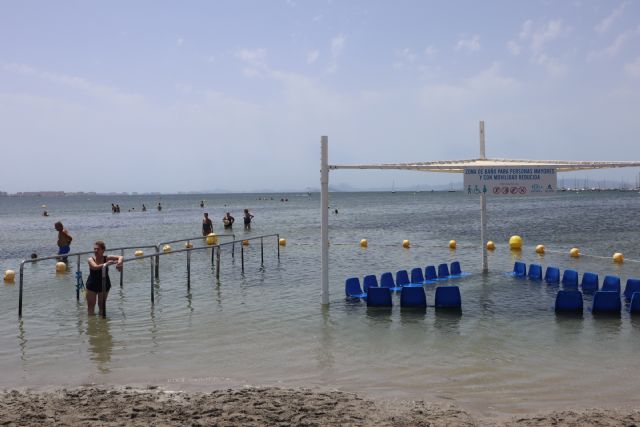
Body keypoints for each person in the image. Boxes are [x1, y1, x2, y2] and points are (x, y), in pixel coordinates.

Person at [85, 241, 123, 316]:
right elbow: (95, 267)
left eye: (98, 249)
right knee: (90, 307)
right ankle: (91, 326)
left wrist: (119, 263)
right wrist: (106, 264)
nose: (95, 251)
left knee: (102, 306)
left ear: (103, 250)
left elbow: (120, 257)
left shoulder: (106, 258)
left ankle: (102, 326)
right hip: (92, 285)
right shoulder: (91, 259)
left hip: (104, 284)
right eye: (94, 249)